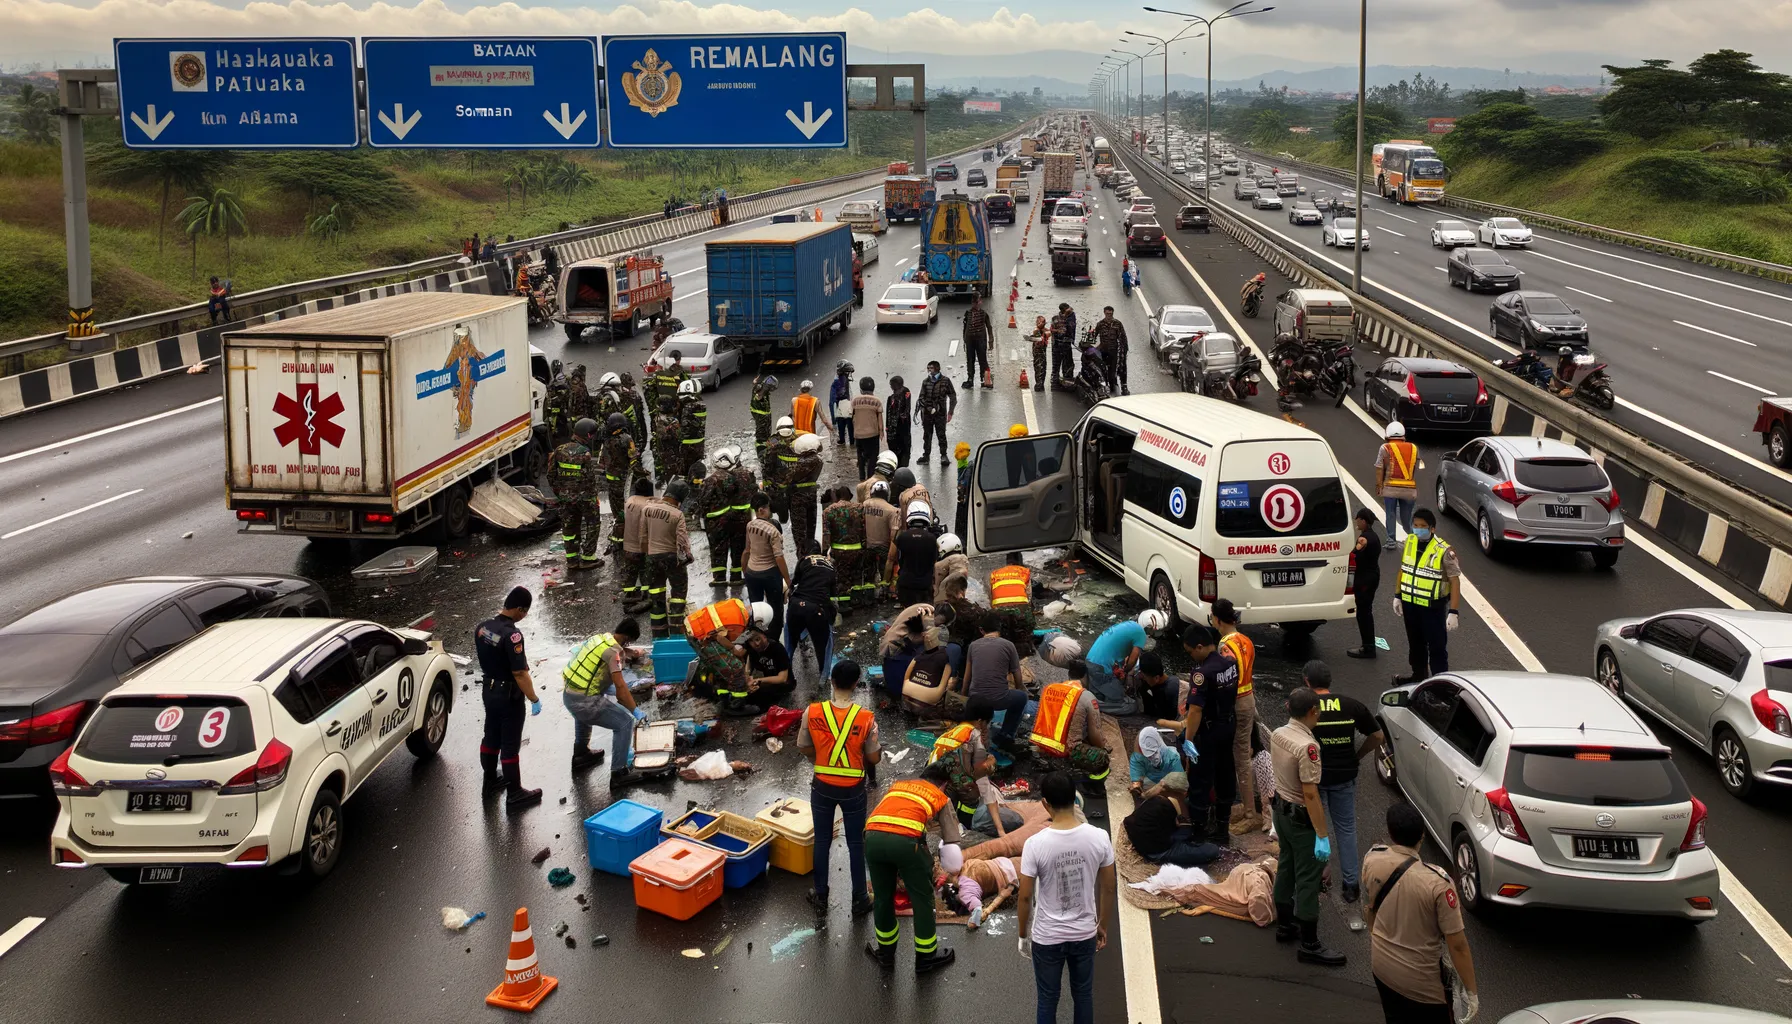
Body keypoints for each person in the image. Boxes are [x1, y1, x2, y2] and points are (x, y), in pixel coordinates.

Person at [1363, 804, 1479, 1024]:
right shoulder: (1437, 883)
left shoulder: (1372, 859)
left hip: (1382, 967)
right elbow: (1458, 945)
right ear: (1422, 836)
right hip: (1422, 986)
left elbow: (1371, 906)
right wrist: (1471, 992)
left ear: (1390, 832)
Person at [1019, 770, 1116, 1024]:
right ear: (1075, 798)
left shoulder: (1035, 844)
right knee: (1083, 995)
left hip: (1047, 937)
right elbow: (1108, 888)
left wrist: (1022, 934)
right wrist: (1102, 925)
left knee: (1048, 999)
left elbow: (1025, 897)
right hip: (1084, 933)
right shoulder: (1099, 837)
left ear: (1044, 804)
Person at [796, 659, 881, 918]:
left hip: (821, 785)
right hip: (854, 788)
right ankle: (859, 899)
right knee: (856, 843)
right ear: (856, 684)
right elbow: (874, 758)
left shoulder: (812, 712)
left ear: (831, 680)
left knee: (822, 840)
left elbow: (802, 745)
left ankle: (820, 896)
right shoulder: (866, 719)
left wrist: (819, 759)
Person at [1270, 687, 1346, 967]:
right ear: (1313, 711)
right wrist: (1323, 835)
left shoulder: (1279, 733)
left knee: (1286, 866)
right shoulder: (1308, 747)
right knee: (1308, 878)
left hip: (1281, 811)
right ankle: (1310, 944)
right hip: (1301, 817)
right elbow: (1311, 794)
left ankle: (1285, 925)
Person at [863, 759, 962, 973]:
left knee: (882, 897)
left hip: (872, 838)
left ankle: (886, 954)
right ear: (943, 784)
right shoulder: (938, 795)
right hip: (906, 843)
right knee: (922, 897)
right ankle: (926, 957)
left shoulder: (898, 786)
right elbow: (952, 841)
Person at [1307, 659, 1384, 909]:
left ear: (1307, 683)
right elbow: (1378, 736)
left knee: (1319, 828)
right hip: (1345, 776)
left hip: (1315, 778)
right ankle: (1351, 886)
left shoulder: (1305, 707)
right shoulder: (1351, 705)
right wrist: (1358, 755)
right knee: (1347, 828)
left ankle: (1320, 876)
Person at [475, 587, 543, 812]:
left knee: (491, 736)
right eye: (524, 612)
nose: (524, 616)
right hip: (508, 695)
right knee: (510, 745)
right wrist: (533, 698)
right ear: (520, 610)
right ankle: (514, 793)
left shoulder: (483, 628)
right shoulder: (513, 635)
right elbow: (519, 673)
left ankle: (490, 781)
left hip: (489, 690)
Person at [562, 618, 649, 778]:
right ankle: (619, 771)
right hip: (583, 703)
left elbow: (594, 670)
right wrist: (636, 711)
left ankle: (581, 754)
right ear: (627, 639)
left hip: (569, 696)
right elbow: (621, 691)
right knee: (625, 723)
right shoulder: (613, 653)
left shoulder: (599, 639)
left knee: (584, 711)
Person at [1178, 624, 1239, 846]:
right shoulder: (1231, 664)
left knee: (1200, 779)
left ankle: (1198, 833)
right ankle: (1222, 829)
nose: (1191, 656)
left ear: (1200, 646)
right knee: (1225, 774)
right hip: (1228, 726)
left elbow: (1195, 710)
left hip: (1209, 731)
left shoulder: (1201, 674)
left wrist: (1188, 739)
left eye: (1191, 651)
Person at [1394, 508, 1460, 685]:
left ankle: (1440, 684)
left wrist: (1453, 611)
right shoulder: (1410, 542)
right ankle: (1418, 676)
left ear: (1432, 528)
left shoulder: (1444, 551)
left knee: (1437, 648)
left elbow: (1455, 581)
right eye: (1415, 525)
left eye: (1422, 526)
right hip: (1410, 604)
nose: (1418, 529)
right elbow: (1403, 569)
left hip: (1433, 607)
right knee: (1415, 645)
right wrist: (1397, 595)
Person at [1211, 597, 1259, 834]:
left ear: (1217, 620)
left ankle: (1250, 813)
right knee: (1242, 752)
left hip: (1237, 703)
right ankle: (1245, 806)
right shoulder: (1246, 641)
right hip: (1248, 698)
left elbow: (1229, 678)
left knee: (1240, 757)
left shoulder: (1225, 646)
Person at [1028, 670, 1112, 791]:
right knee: (1102, 758)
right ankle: (1085, 780)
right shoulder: (1086, 696)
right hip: (1067, 751)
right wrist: (1102, 748)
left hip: (1041, 746)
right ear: (1085, 677)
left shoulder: (1049, 689)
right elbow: (1095, 734)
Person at [1123, 771, 1220, 868]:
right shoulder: (1167, 806)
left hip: (1148, 838)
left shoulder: (1157, 798)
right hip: (1156, 852)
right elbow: (1177, 825)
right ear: (1182, 792)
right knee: (1212, 850)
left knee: (1186, 832)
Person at [642, 478, 692, 638]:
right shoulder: (677, 514)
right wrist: (688, 557)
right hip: (672, 558)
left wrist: (648, 557)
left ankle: (659, 634)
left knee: (656, 594)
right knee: (678, 594)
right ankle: (677, 632)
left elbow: (642, 536)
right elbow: (682, 541)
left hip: (652, 557)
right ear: (680, 498)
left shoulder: (647, 509)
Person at [1085, 610, 1164, 711]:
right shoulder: (1140, 633)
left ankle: (1093, 703)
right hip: (1101, 669)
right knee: (1130, 706)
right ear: (1148, 627)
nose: (1150, 635)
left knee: (1101, 696)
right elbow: (1133, 659)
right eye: (1152, 632)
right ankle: (1093, 707)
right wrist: (1125, 671)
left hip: (1091, 661)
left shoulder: (1129, 625)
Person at [551, 418, 601, 573]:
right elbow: (590, 478)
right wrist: (593, 497)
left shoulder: (559, 451)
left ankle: (572, 559)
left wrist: (560, 492)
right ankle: (587, 558)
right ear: (587, 435)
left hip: (566, 498)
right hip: (585, 498)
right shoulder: (584, 453)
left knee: (569, 527)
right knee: (593, 525)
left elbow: (551, 475)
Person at [744, 492, 790, 642]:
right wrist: (788, 581)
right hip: (769, 574)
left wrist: (746, 571)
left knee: (756, 609)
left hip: (752, 573)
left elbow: (747, 551)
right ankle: (773, 641)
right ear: (762, 509)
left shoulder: (750, 525)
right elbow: (779, 558)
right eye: (768, 508)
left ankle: (757, 638)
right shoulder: (773, 531)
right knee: (776, 609)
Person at [785, 551, 838, 679]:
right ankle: (824, 677)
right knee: (825, 645)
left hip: (796, 606)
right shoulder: (831, 568)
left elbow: (794, 583)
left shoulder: (804, 560)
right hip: (817, 609)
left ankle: (785, 674)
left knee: (789, 639)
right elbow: (832, 593)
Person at [597, 413, 644, 552]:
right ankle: (624, 538)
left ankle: (619, 537)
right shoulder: (626, 439)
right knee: (627, 510)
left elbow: (601, 463)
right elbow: (633, 458)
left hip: (611, 482)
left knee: (617, 510)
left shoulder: (605, 441)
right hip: (625, 481)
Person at [821, 487, 868, 613]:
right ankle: (857, 601)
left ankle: (844, 605)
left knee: (842, 578)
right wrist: (864, 547)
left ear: (836, 497)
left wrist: (824, 552)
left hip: (839, 551)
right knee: (857, 575)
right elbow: (864, 530)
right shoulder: (860, 508)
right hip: (857, 549)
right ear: (850, 496)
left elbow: (826, 534)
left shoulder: (828, 511)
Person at [1376, 421, 1419, 548]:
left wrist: (1379, 485)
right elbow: (1414, 468)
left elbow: (1379, 467)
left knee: (1390, 513)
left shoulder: (1385, 448)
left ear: (1387, 435)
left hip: (1390, 489)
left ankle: (1391, 541)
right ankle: (1413, 538)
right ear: (1403, 435)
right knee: (1406, 517)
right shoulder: (1414, 448)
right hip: (1409, 490)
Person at [888, 502, 940, 608]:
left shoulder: (902, 537)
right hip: (925, 586)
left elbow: (897, 560)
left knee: (907, 616)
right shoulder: (932, 538)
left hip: (905, 585)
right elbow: (934, 563)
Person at [1349, 509, 1384, 659]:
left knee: (1363, 613)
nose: (1356, 522)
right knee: (1366, 611)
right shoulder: (1374, 536)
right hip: (1372, 575)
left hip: (1364, 579)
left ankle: (1368, 647)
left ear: (1363, 520)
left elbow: (1353, 555)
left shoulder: (1363, 539)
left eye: (1358, 519)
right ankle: (1368, 645)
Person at [617, 477, 655, 613]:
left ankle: (630, 597)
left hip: (628, 547)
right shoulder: (650, 504)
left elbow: (621, 520)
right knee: (645, 573)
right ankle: (646, 597)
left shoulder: (629, 502)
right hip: (644, 547)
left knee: (631, 574)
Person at [988, 552, 1038, 656]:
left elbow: (991, 596)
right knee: (1027, 624)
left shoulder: (995, 573)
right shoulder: (1024, 571)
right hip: (1020, 610)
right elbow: (1028, 596)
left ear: (1007, 562)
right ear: (1020, 562)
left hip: (999, 610)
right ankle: (1028, 646)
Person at [861, 481, 901, 602]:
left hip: (867, 546)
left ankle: (868, 596)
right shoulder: (892, 510)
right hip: (885, 548)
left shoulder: (864, 505)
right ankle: (884, 594)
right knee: (885, 572)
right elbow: (894, 534)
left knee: (868, 574)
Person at [740, 625, 795, 709]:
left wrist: (758, 681)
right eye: (751, 641)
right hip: (768, 682)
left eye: (757, 639)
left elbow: (782, 678)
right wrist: (747, 678)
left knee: (758, 699)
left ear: (764, 637)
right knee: (744, 695)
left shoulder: (777, 648)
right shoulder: (753, 651)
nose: (756, 644)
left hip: (785, 684)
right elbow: (748, 665)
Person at [788, 432, 825, 556]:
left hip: (797, 499)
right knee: (811, 528)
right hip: (811, 497)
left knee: (799, 531)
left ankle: (802, 556)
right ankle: (811, 552)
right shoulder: (818, 461)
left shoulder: (796, 464)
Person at [916, 361, 957, 467]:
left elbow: (952, 396)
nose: (929, 370)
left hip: (941, 414)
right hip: (927, 415)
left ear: (938, 369)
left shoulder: (945, 381)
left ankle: (944, 455)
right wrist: (928, 408)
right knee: (927, 435)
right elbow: (921, 397)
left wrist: (950, 412)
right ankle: (926, 455)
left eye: (931, 368)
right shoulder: (925, 382)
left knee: (941, 435)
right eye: (928, 368)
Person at [1128, 723, 1184, 796]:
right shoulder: (1142, 743)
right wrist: (1136, 783)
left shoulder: (1174, 756)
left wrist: (1148, 794)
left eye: (1153, 754)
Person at [763, 417, 797, 524]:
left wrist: (767, 488)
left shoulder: (772, 442)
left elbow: (767, 466)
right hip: (794, 487)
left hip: (778, 488)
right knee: (794, 517)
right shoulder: (797, 441)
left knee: (783, 518)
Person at [1138, 652, 1186, 724]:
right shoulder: (1150, 683)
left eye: (1145, 676)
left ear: (1156, 678)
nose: (1142, 677)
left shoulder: (1171, 689)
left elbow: (1171, 718)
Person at [851, 377, 885, 479]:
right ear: (873, 388)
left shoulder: (855, 401)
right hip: (873, 434)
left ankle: (862, 477)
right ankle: (870, 477)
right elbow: (880, 418)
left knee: (860, 456)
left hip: (859, 434)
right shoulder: (877, 401)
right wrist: (881, 432)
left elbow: (852, 417)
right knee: (873, 457)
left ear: (861, 388)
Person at [1091, 305, 1128, 396]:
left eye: (1110, 314)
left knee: (1114, 371)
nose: (1109, 315)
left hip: (1114, 351)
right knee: (1101, 370)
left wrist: (1124, 351)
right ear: (1104, 313)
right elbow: (1094, 336)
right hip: (1103, 351)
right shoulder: (1100, 324)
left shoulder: (1117, 324)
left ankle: (1119, 387)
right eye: (1107, 314)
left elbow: (1123, 338)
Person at [961, 294, 994, 390]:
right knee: (970, 360)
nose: (976, 304)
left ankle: (984, 380)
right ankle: (970, 379)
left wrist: (991, 340)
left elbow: (989, 327)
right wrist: (965, 340)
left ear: (980, 302)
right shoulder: (967, 314)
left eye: (978, 302)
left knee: (982, 360)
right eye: (974, 302)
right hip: (970, 341)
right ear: (972, 303)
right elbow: (965, 327)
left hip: (981, 340)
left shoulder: (984, 314)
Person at [677, 379, 708, 471]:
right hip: (699, 445)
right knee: (696, 470)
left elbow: (682, 428)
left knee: (686, 471)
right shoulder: (701, 406)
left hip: (687, 447)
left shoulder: (688, 408)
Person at [933, 532, 970, 606]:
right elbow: (958, 575)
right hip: (949, 605)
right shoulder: (959, 558)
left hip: (939, 606)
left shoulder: (940, 565)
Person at [885, 376, 914, 468]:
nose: (890, 386)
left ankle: (903, 465)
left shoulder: (906, 392)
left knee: (904, 446)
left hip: (902, 425)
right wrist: (887, 426)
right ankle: (895, 464)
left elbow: (907, 408)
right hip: (892, 427)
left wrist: (903, 416)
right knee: (893, 446)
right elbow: (888, 413)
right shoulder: (891, 398)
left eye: (892, 384)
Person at [749, 373, 779, 459]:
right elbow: (759, 395)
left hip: (762, 416)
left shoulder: (758, 386)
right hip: (762, 419)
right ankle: (761, 456)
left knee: (766, 435)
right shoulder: (761, 392)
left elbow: (756, 388)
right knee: (762, 437)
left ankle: (765, 450)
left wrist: (754, 383)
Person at [1050, 303, 1078, 384]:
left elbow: (1071, 328)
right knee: (1056, 365)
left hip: (1067, 345)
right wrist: (1065, 315)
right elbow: (1055, 330)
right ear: (1063, 310)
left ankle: (1068, 381)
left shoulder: (1071, 316)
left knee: (1068, 364)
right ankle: (1055, 382)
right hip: (1057, 345)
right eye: (1067, 309)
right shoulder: (1057, 318)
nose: (1070, 310)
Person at [1028, 314, 1050, 391]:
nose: (1040, 323)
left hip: (1042, 352)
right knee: (1038, 368)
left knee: (1043, 368)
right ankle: (1038, 384)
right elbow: (1036, 338)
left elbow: (1049, 333)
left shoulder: (1045, 330)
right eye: (1039, 322)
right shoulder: (1036, 330)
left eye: (1042, 322)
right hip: (1037, 353)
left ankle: (1041, 385)